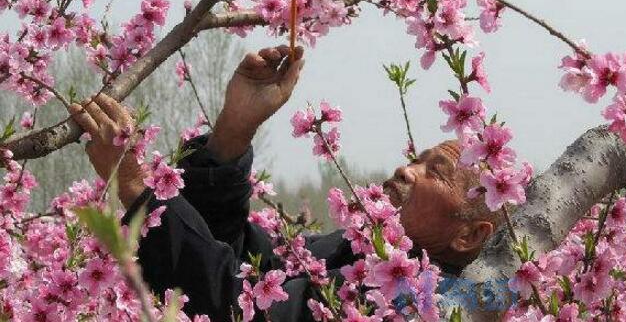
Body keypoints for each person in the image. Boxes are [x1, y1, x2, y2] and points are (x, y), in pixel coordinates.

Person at [69, 45, 500, 321]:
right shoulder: (350, 253)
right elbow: (240, 265)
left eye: (436, 172)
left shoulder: (415, 301)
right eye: (416, 160)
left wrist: (135, 188)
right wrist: (232, 133)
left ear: (468, 235)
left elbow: (232, 305)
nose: (407, 170)